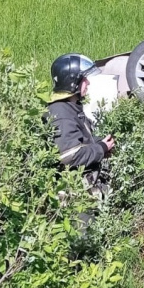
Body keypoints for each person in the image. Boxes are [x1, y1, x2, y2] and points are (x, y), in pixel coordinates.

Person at [46, 53, 116, 197]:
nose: (88, 83)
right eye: (84, 79)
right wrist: (101, 148)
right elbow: (71, 156)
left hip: (83, 188)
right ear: (72, 82)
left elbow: (81, 140)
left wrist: (101, 143)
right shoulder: (61, 114)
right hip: (73, 196)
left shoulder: (71, 107)